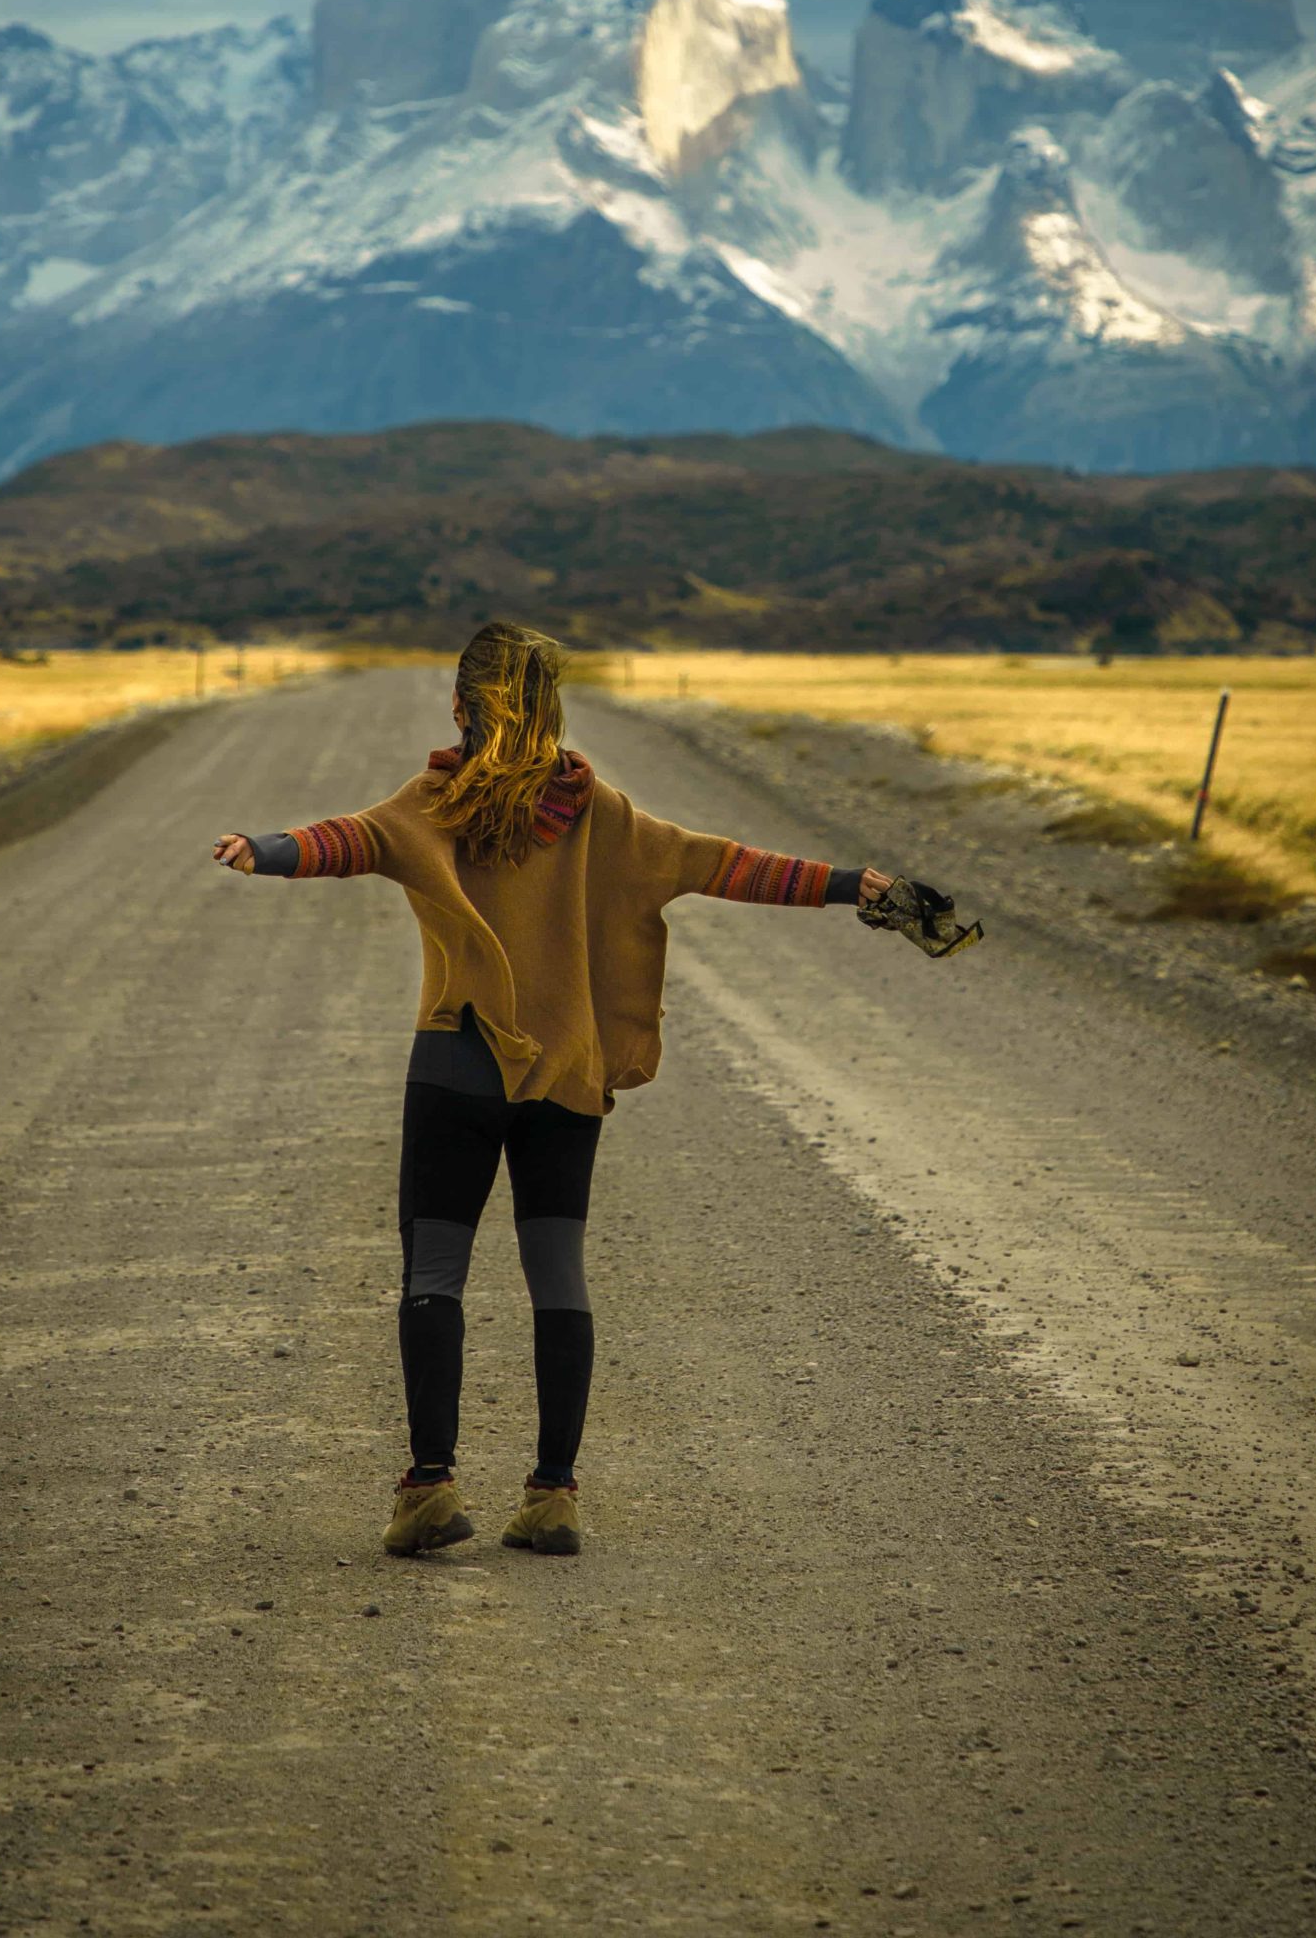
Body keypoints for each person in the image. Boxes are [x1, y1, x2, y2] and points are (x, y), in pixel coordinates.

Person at [212, 620, 900, 1561]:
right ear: (550, 711)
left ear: (460, 708)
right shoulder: (601, 813)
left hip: (459, 1062)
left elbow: (350, 839)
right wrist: (851, 883)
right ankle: (553, 1497)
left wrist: (265, 848)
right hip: (566, 1073)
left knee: (435, 1274)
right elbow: (724, 862)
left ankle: (429, 1490)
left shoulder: (435, 802)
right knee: (557, 1274)